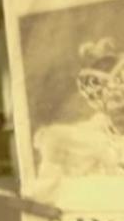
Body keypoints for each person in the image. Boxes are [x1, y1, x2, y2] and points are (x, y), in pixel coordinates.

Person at [34, 38, 124, 178]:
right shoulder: (92, 136)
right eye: (114, 100)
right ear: (99, 103)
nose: (120, 107)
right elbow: (56, 139)